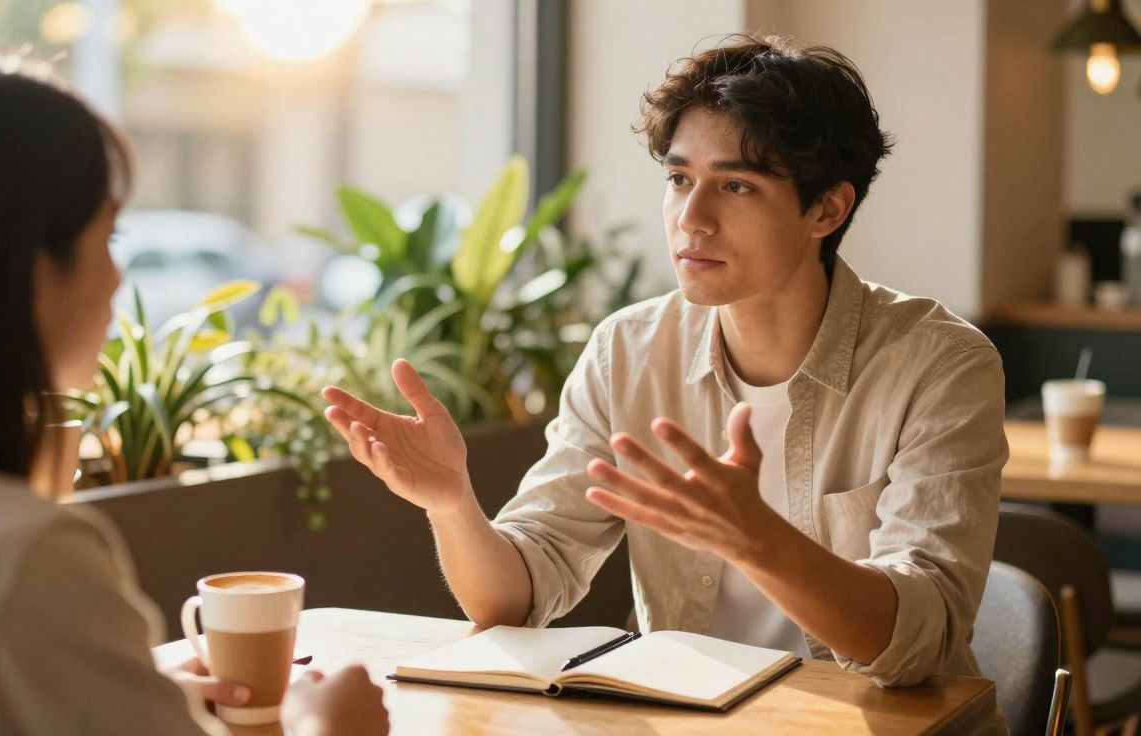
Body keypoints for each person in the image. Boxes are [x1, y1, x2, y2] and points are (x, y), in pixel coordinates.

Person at [322, 34, 1008, 701]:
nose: (692, 219)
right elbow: (517, 596)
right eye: (679, 179)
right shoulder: (627, 352)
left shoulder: (940, 365)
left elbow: (917, 642)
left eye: (735, 186)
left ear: (826, 209)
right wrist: (452, 505)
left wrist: (756, 539)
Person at [0, 52, 388, 736]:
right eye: (109, 237)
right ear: (31, 269)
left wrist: (122, 695)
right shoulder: (21, 558)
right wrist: (329, 728)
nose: (120, 280)